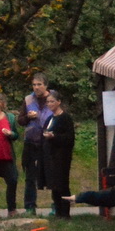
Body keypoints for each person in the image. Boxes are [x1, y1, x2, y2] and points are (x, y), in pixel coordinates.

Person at [20, 73, 52, 215]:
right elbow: (20, 120)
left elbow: (63, 115)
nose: (36, 87)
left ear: (46, 85)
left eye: (39, 84)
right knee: (30, 177)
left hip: (49, 142)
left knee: (51, 174)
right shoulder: (28, 99)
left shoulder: (54, 98)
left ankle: (56, 205)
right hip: (31, 142)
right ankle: (29, 206)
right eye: (34, 85)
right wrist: (28, 117)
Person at [43, 90, 76, 218]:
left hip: (62, 157)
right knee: (54, 185)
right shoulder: (50, 118)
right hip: (50, 156)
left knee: (62, 185)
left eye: (52, 101)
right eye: (48, 102)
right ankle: (57, 212)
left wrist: (54, 136)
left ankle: (65, 213)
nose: (49, 104)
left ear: (59, 102)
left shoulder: (65, 118)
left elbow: (69, 138)